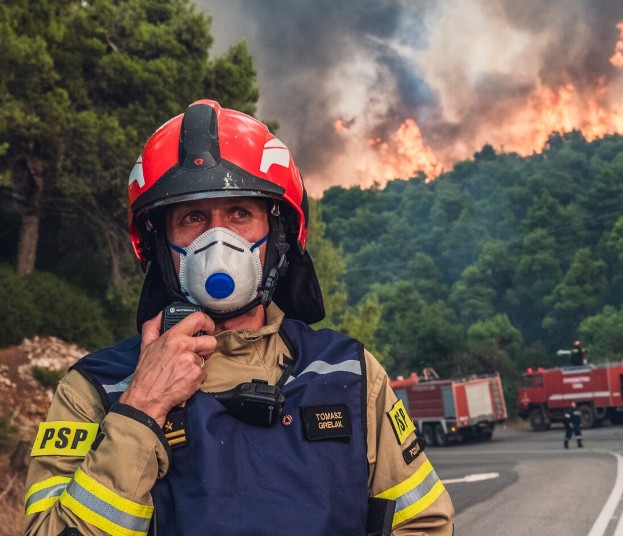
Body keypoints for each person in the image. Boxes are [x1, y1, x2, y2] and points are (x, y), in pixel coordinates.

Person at [23, 100, 454, 535]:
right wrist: (144, 405)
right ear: (159, 244)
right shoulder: (95, 390)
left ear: (279, 233)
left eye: (240, 214)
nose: (218, 239)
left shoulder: (349, 374)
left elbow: (425, 523)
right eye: (193, 217)